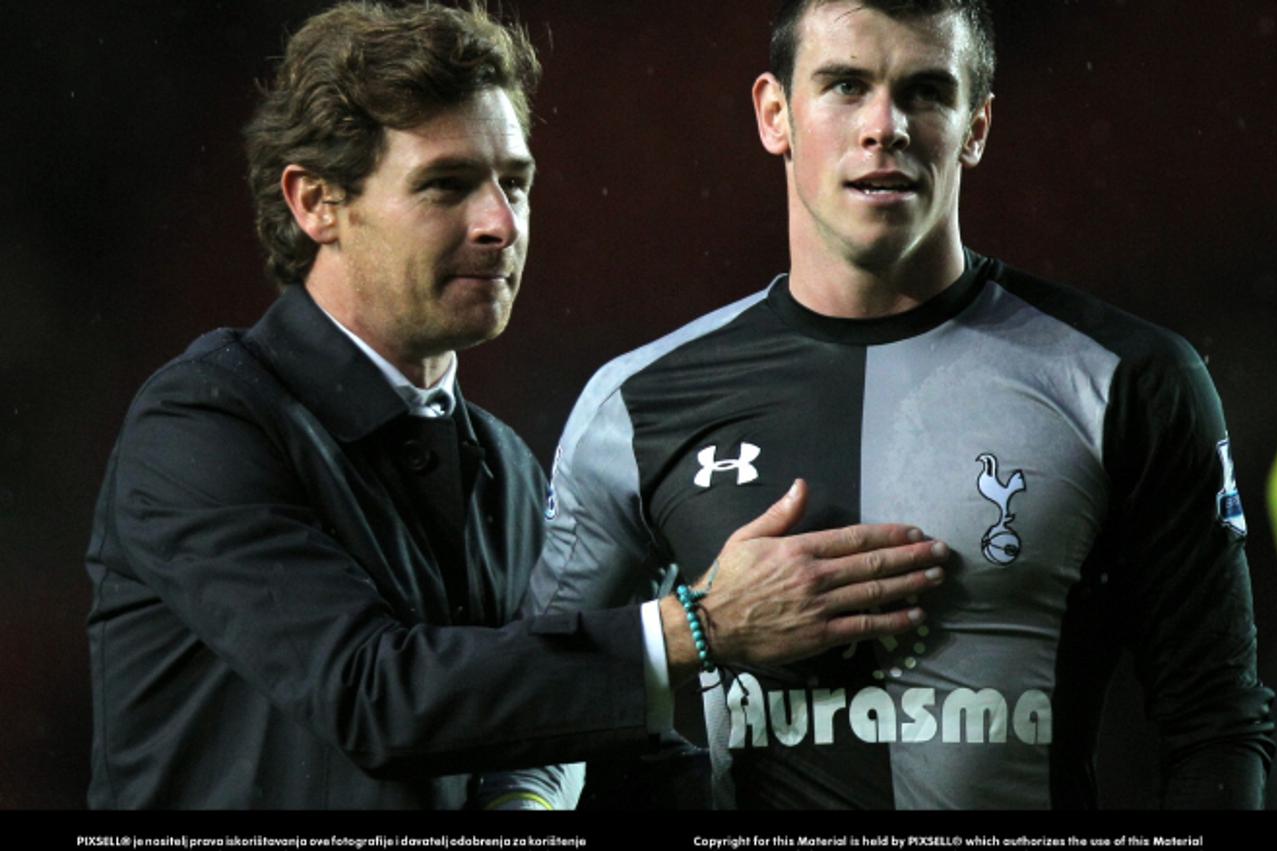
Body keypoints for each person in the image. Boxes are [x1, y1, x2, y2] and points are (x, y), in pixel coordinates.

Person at [83, 0, 953, 810]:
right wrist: (701, 625)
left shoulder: (500, 464)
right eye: (446, 185)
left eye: (516, 181)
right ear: (317, 202)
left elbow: (561, 732)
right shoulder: (203, 425)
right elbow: (374, 695)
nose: (502, 223)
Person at [525, 0, 1274, 808]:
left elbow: (1216, 726)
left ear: (977, 127)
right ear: (774, 114)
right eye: (846, 86)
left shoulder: (1130, 379)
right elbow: (539, 709)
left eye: (925, 91)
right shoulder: (636, 404)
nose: (886, 126)